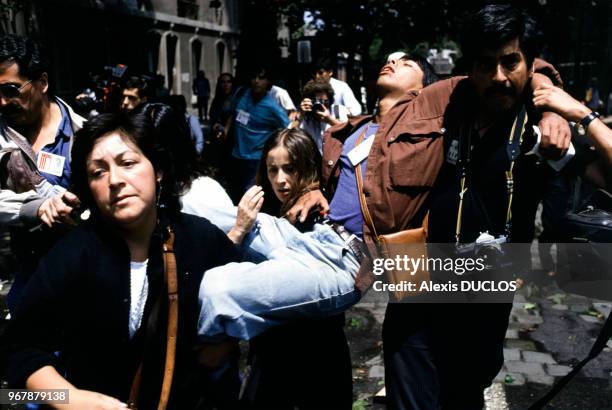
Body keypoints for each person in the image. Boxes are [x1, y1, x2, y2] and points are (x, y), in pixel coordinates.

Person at [380, 6, 573, 409]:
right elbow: (372, 135)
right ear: (469, 68)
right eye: (485, 65)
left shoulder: (541, 125)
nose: (498, 77)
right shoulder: (447, 102)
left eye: (510, 63)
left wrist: (559, 108)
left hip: (484, 292)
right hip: (417, 280)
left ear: (528, 64)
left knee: (464, 393)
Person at [0, 111, 245, 409]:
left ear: (158, 170)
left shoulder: (201, 239)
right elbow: (19, 353)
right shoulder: (72, 255)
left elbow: (258, 300)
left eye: (127, 163)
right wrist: (71, 399)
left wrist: (228, 341)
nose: (115, 180)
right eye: (97, 172)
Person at [240, 129, 353, 409]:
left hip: (318, 351)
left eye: (289, 169)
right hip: (271, 350)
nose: (280, 180)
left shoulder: (324, 214)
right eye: (272, 170)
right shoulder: (258, 215)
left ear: (308, 167)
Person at [0, 34, 81, 310]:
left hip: (85, 281)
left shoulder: (84, 132)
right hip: (32, 284)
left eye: (11, 90)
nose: (2, 102)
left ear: (42, 83)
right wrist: (35, 207)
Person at [225, 66, 290, 202]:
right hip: (236, 155)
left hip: (256, 159)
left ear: (268, 83)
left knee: (249, 196)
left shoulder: (272, 107)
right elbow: (233, 114)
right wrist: (225, 130)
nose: (256, 81)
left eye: (261, 78)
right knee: (233, 195)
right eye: (254, 77)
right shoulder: (242, 93)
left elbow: (287, 128)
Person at [297, 79, 349, 152]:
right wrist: (300, 115)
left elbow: (351, 132)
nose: (321, 105)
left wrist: (330, 120)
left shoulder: (339, 110)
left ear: (330, 99)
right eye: (317, 101)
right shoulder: (305, 115)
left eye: (325, 101)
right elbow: (289, 135)